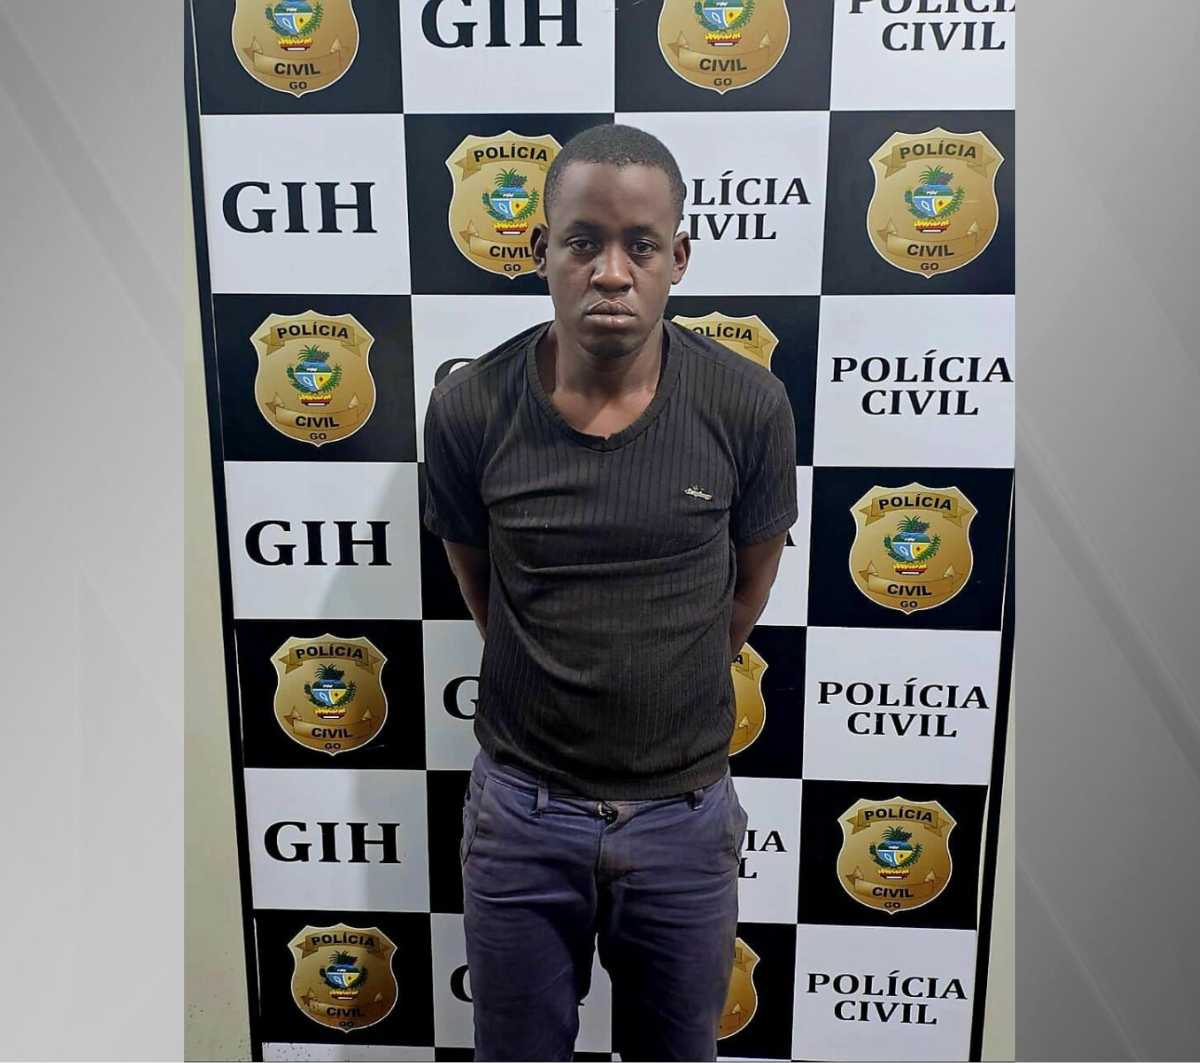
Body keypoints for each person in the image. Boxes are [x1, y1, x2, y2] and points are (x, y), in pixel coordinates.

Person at [422, 124, 798, 1062]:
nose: (612, 273)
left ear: (680, 258)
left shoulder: (748, 406)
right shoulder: (469, 408)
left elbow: (747, 586)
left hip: (685, 819)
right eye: (583, 241)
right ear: (539, 249)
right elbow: (483, 587)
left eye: (641, 246)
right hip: (522, 817)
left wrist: (665, 675)